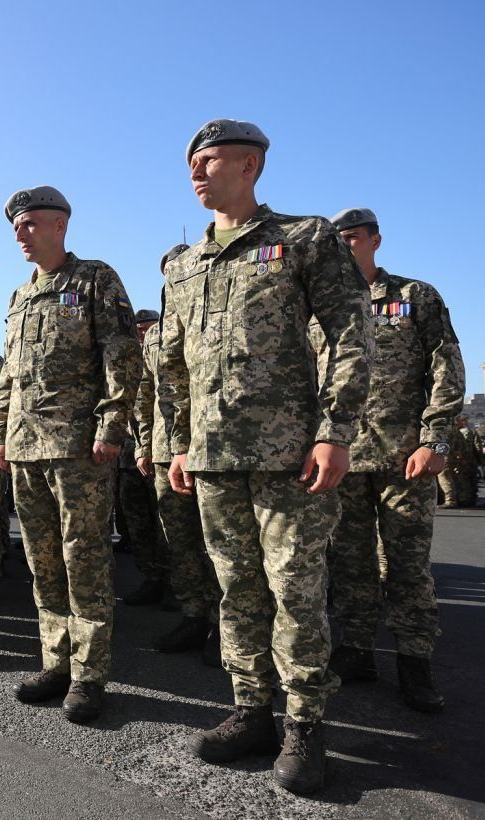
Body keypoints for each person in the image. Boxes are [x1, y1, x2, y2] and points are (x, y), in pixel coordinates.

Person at [159, 119, 371, 794]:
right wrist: (179, 443)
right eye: (191, 162)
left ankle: (305, 724)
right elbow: (170, 363)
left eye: (210, 160)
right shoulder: (182, 265)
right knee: (238, 591)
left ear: (250, 165)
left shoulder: (302, 239)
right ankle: (250, 708)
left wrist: (335, 430)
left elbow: (347, 333)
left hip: (288, 458)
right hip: (214, 459)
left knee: (296, 591)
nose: (196, 171)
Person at [0, 186, 143, 723]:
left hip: (79, 448)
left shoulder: (95, 279)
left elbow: (123, 359)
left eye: (30, 223)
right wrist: (2, 434)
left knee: (85, 559)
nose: (20, 233)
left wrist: (111, 427)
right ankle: (55, 662)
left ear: (60, 224)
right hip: (27, 449)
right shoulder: (19, 296)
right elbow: (10, 376)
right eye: (16, 226)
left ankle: (90, 674)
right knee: (43, 562)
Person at [322, 207, 464, 713]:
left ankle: (414, 662)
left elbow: (446, 366)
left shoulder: (413, 297)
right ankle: (357, 651)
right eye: (337, 240)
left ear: (376, 241)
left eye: (354, 237)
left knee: (407, 566)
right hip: (341, 459)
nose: (345, 246)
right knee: (350, 564)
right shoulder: (320, 307)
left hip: (405, 455)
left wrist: (437, 440)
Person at [133, 264, 224, 662]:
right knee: (180, 539)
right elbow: (145, 392)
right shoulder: (155, 336)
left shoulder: (216, 318)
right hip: (164, 452)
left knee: (220, 543)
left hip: (214, 450)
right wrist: (141, 444)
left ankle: (228, 626)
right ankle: (195, 614)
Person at [119, 309, 172, 608]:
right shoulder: (125, 355)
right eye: (138, 329)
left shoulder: (163, 347)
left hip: (158, 449)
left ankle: (174, 583)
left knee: (165, 521)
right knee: (136, 522)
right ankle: (151, 578)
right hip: (129, 455)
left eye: (147, 328)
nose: (142, 333)